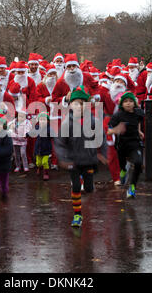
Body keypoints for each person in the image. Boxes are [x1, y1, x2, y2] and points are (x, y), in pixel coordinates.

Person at [55, 85, 124, 227]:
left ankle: (87, 183)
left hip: (89, 160)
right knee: (75, 187)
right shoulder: (67, 123)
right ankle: (77, 215)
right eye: (75, 104)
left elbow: (102, 139)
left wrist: (103, 154)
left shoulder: (93, 121)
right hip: (73, 161)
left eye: (81, 104)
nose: (79, 107)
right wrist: (63, 159)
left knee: (88, 188)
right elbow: (60, 143)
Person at [109, 91, 144, 199]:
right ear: (121, 104)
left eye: (130, 101)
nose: (128, 103)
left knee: (138, 162)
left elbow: (138, 121)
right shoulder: (117, 116)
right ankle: (123, 170)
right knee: (122, 164)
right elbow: (108, 131)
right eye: (125, 101)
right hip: (122, 144)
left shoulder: (139, 113)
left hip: (134, 143)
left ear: (134, 102)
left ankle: (132, 186)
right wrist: (117, 129)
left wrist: (139, 131)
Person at [34, 112, 52, 181]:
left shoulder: (49, 128)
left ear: (47, 121)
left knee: (45, 162)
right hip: (38, 148)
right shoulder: (37, 127)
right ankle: (39, 167)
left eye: (44, 120)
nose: (42, 121)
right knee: (38, 162)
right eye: (41, 120)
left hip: (46, 148)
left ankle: (46, 173)